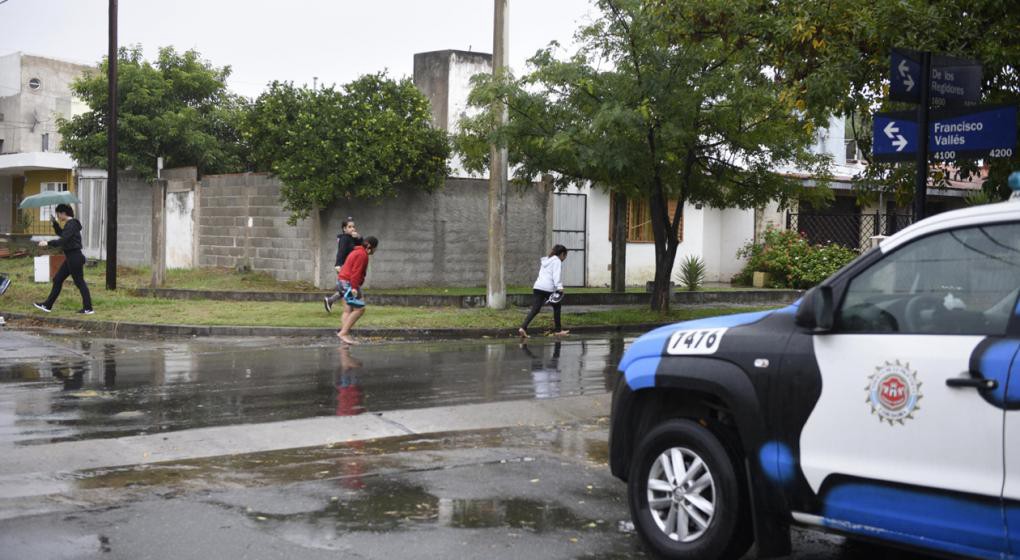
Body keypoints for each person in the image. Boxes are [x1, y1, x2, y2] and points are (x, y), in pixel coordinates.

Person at [34, 203, 93, 315]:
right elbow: (62, 234)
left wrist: (48, 242)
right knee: (57, 279)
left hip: (74, 257)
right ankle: (47, 305)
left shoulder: (72, 224)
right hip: (71, 257)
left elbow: (63, 240)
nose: (58, 217)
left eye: (58, 215)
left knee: (80, 282)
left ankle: (88, 308)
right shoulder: (70, 225)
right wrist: (55, 223)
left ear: (63, 213)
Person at [519, 244, 569, 338]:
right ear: (562, 254)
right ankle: (558, 330)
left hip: (537, 286)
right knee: (557, 307)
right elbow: (556, 275)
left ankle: (523, 328)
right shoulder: (557, 261)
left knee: (535, 309)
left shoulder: (546, 260)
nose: (565, 258)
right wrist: (560, 287)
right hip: (548, 288)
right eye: (565, 255)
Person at [336, 236, 379, 345]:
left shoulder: (356, 251)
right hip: (349, 284)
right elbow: (356, 272)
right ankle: (344, 333)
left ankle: (344, 334)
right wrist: (354, 288)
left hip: (342, 281)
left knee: (347, 310)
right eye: (375, 248)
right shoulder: (362, 255)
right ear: (370, 246)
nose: (375, 250)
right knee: (360, 309)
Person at [324, 217, 362, 313]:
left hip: (350, 267)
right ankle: (353, 308)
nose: (352, 229)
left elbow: (362, 245)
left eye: (353, 227)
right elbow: (341, 252)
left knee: (346, 288)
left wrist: (358, 237)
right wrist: (338, 265)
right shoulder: (344, 239)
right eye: (349, 227)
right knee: (350, 287)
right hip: (344, 267)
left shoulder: (351, 238)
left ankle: (330, 300)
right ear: (344, 229)